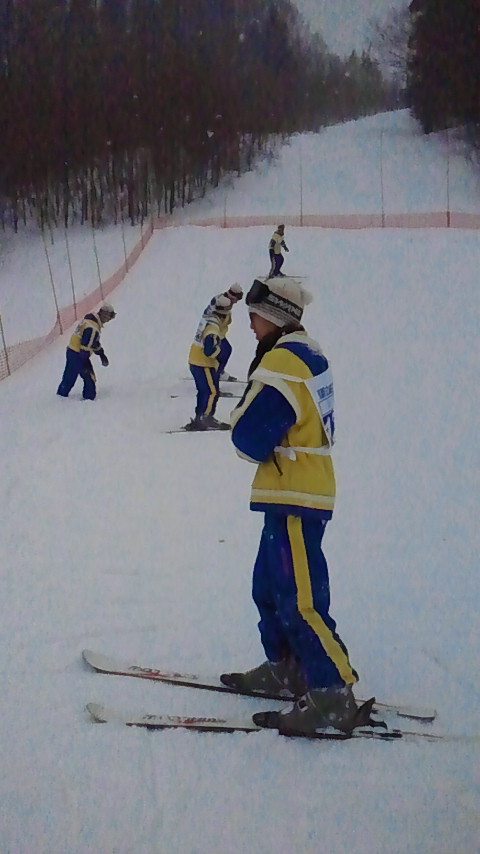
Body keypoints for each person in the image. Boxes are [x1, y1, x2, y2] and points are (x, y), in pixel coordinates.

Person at [221, 277, 369, 736]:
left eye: (255, 314)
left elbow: (248, 434)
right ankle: (287, 666)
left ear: (279, 314)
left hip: (297, 496)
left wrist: (242, 421)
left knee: (299, 597)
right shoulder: (306, 353)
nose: (249, 323)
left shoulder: (286, 360)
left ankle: (333, 692)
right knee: (268, 587)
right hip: (291, 492)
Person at [185, 294, 234, 431]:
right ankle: (205, 417)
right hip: (203, 363)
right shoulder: (213, 327)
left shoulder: (210, 319)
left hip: (195, 360)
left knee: (204, 390)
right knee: (212, 391)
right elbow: (209, 350)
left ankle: (200, 415)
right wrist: (218, 354)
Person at [57, 303, 116, 400]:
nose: (108, 320)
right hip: (79, 355)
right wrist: (84, 363)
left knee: (70, 376)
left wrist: (101, 354)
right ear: (104, 315)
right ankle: (89, 398)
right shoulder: (93, 327)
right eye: (109, 317)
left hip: (71, 351)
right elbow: (87, 344)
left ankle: (61, 395)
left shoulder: (89, 321)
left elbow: (93, 341)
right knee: (89, 377)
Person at [202, 283, 243, 382]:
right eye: (237, 299)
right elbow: (213, 315)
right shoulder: (223, 302)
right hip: (213, 331)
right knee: (222, 352)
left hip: (219, 331)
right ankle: (215, 374)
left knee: (226, 350)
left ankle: (218, 371)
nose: (236, 302)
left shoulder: (224, 299)